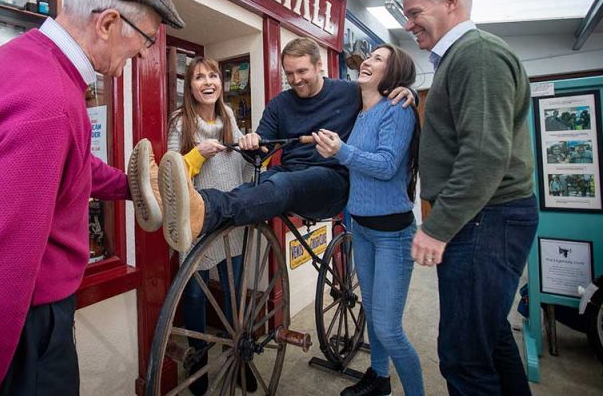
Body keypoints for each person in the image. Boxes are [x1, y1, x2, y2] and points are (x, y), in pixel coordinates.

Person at [0, 0, 184, 396]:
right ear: (108, 23)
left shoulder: (23, 59)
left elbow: (70, 164)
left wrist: (132, 186)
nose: (144, 54)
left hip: (19, 312)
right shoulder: (49, 103)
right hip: (22, 323)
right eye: (145, 40)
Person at [130, 37, 415, 256]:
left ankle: (199, 214)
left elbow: (383, 93)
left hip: (332, 182)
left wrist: (408, 90)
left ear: (319, 66)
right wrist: (253, 142)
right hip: (289, 176)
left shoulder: (348, 92)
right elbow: (262, 145)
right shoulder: (280, 103)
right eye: (289, 73)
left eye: (302, 71)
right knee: (251, 186)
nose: (295, 80)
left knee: (282, 183)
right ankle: (180, 202)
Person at [399, 0, 538, 396]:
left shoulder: (477, 55)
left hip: (485, 220)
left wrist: (438, 226)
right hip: (484, 219)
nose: (408, 24)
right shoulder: (459, 58)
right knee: (491, 338)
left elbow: (484, 155)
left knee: (462, 358)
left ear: (451, 2)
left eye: (415, 11)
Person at [312, 44, 425, 396]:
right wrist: (334, 151)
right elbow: (356, 163)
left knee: (389, 329)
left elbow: (387, 165)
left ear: (392, 74)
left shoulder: (398, 108)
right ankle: (380, 379)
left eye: (379, 59)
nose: (369, 62)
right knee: (373, 315)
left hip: (392, 233)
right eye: (369, 57)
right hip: (359, 226)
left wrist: (342, 151)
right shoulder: (362, 113)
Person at [167, 56, 256, 395]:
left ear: (221, 82)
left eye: (213, 76)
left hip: (230, 222)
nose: (208, 82)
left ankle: (239, 357)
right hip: (198, 225)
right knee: (194, 297)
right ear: (190, 87)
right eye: (199, 77)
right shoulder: (180, 122)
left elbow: (245, 171)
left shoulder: (230, 118)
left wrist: (252, 150)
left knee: (235, 294)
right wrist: (197, 155)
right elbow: (170, 178)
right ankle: (198, 363)